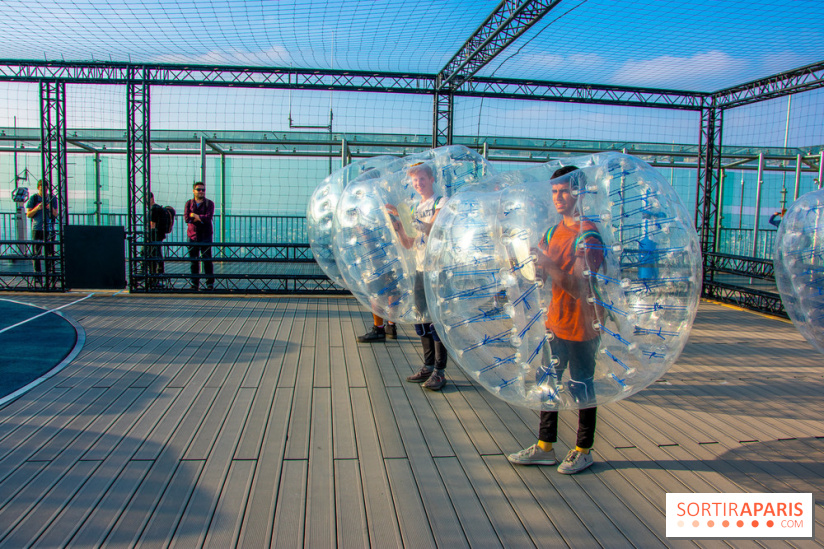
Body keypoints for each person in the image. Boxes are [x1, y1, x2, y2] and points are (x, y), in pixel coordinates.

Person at [508, 165, 604, 474]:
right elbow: (538, 274)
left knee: (582, 386)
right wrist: (522, 260)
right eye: (554, 192)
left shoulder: (587, 235)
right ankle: (546, 447)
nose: (558, 197)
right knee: (547, 383)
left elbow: (578, 287)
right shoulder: (552, 231)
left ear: (579, 192)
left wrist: (546, 262)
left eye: (563, 190)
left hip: (584, 325)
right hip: (556, 321)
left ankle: (583, 449)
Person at [387, 163, 449, 390]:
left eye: (422, 178)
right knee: (421, 318)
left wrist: (404, 216)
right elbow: (409, 243)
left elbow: (433, 229)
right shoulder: (413, 208)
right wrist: (398, 227)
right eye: (415, 180)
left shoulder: (441, 202)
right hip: (420, 268)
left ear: (431, 179)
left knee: (435, 320)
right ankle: (428, 366)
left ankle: (440, 371)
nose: (418, 183)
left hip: (437, 269)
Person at [184, 181, 215, 290]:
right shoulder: (189, 203)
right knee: (194, 261)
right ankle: (194, 283)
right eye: (199, 190)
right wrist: (200, 218)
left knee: (207, 260)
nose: (201, 191)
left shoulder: (209, 203)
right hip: (193, 236)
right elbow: (187, 218)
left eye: (203, 189)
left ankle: (209, 283)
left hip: (205, 235)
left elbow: (208, 218)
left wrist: (195, 215)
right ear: (194, 191)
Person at [25, 180, 58, 280]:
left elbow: (55, 214)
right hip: (37, 228)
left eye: (46, 189)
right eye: (42, 189)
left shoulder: (52, 199)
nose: (44, 191)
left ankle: (49, 273)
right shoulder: (33, 198)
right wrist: (37, 208)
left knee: (49, 252)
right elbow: (28, 214)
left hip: (48, 228)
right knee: (36, 253)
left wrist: (49, 208)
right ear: (38, 188)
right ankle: (38, 275)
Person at [147, 192, 167, 287]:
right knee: (158, 255)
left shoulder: (153, 209)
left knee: (153, 255)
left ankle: (155, 278)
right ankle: (158, 276)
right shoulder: (158, 208)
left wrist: (148, 236)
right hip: (159, 235)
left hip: (154, 236)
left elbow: (152, 224)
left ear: (151, 198)